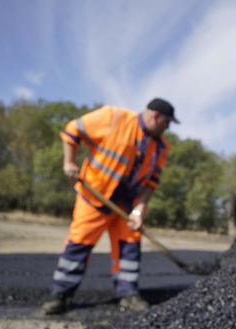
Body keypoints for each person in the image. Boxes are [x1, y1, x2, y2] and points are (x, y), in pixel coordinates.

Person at [42, 98, 178, 315]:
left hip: (127, 206)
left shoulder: (160, 147)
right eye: (167, 122)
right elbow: (72, 131)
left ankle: (128, 294)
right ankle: (60, 294)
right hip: (95, 198)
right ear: (155, 116)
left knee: (129, 249)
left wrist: (139, 209)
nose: (168, 128)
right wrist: (69, 162)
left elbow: (152, 183)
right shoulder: (114, 118)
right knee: (79, 244)